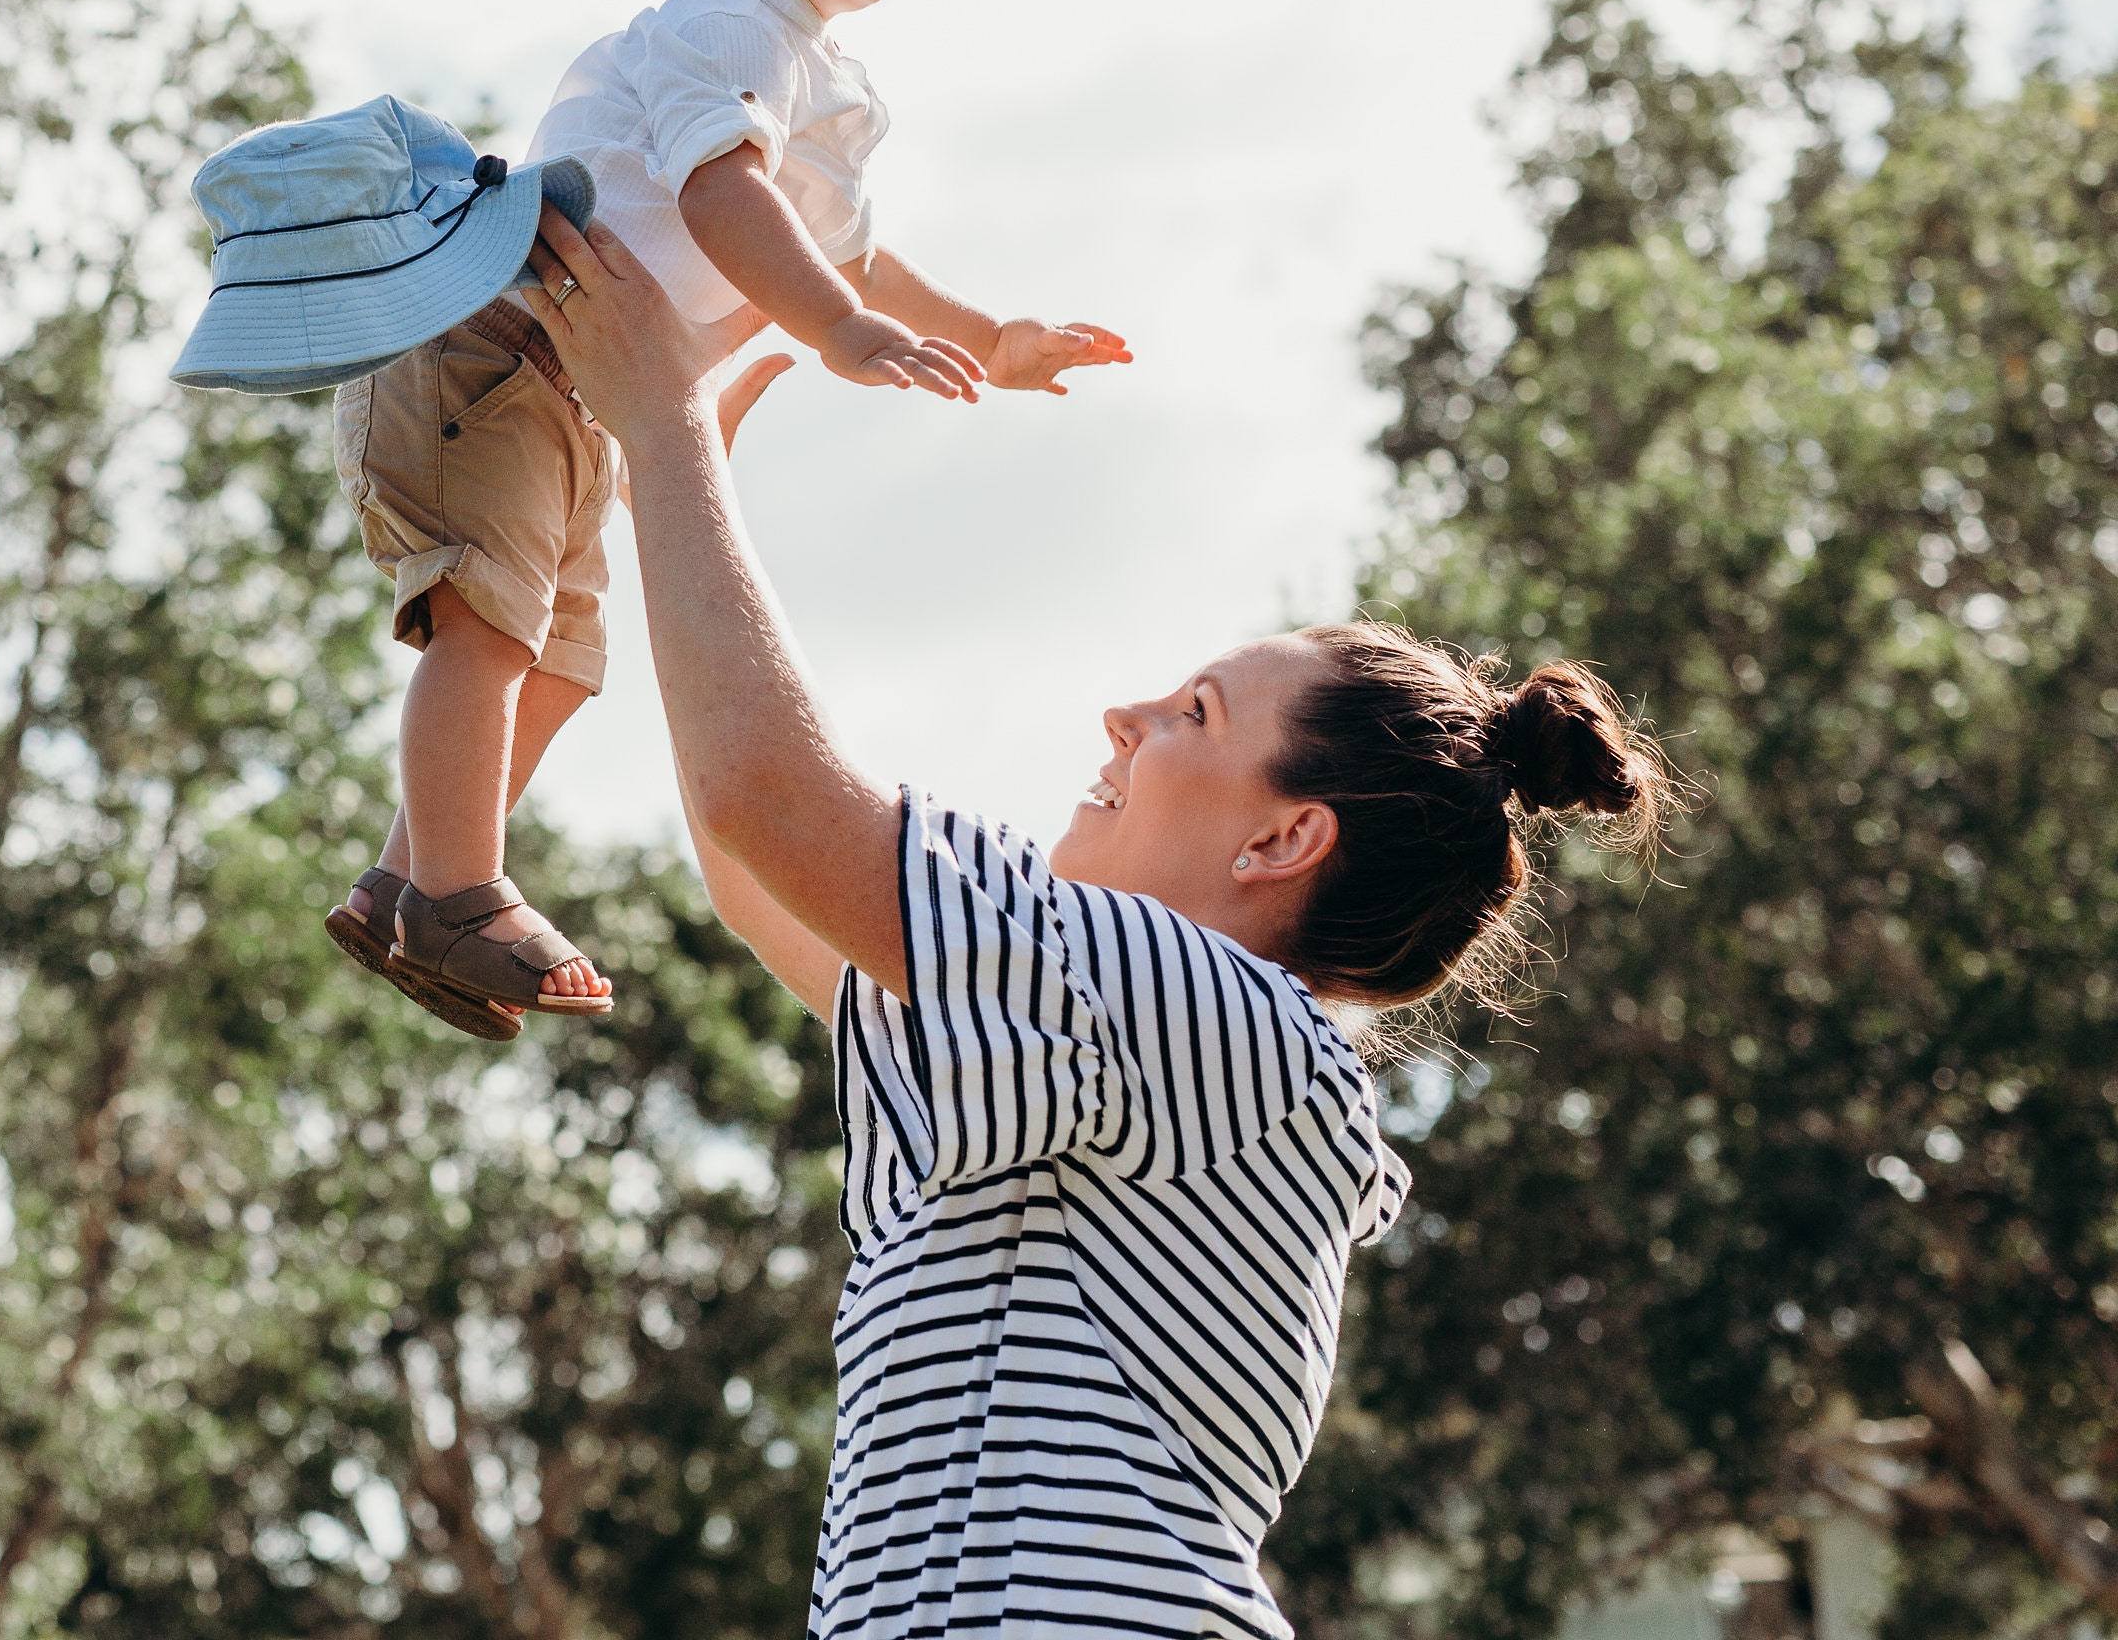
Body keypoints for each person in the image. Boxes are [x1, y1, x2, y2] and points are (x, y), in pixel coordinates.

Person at [518, 205, 1673, 1638]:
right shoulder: (1133, 1036)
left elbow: (773, 807)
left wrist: (669, 425)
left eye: (1192, 713)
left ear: (1282, 838)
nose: (1121, 717)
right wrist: (670, 472)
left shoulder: (1215, 1012)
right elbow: (759, 877)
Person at [320, 0, 1126, 1039]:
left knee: (565, 661)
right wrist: (832, 330)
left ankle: (408, 880)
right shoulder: (728, 24)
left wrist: (994, 339)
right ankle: (459, 891)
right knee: (493, 625)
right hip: (493, 336)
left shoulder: (810, 74)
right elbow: (720, 195)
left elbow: (856, 258)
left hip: (572, 385)